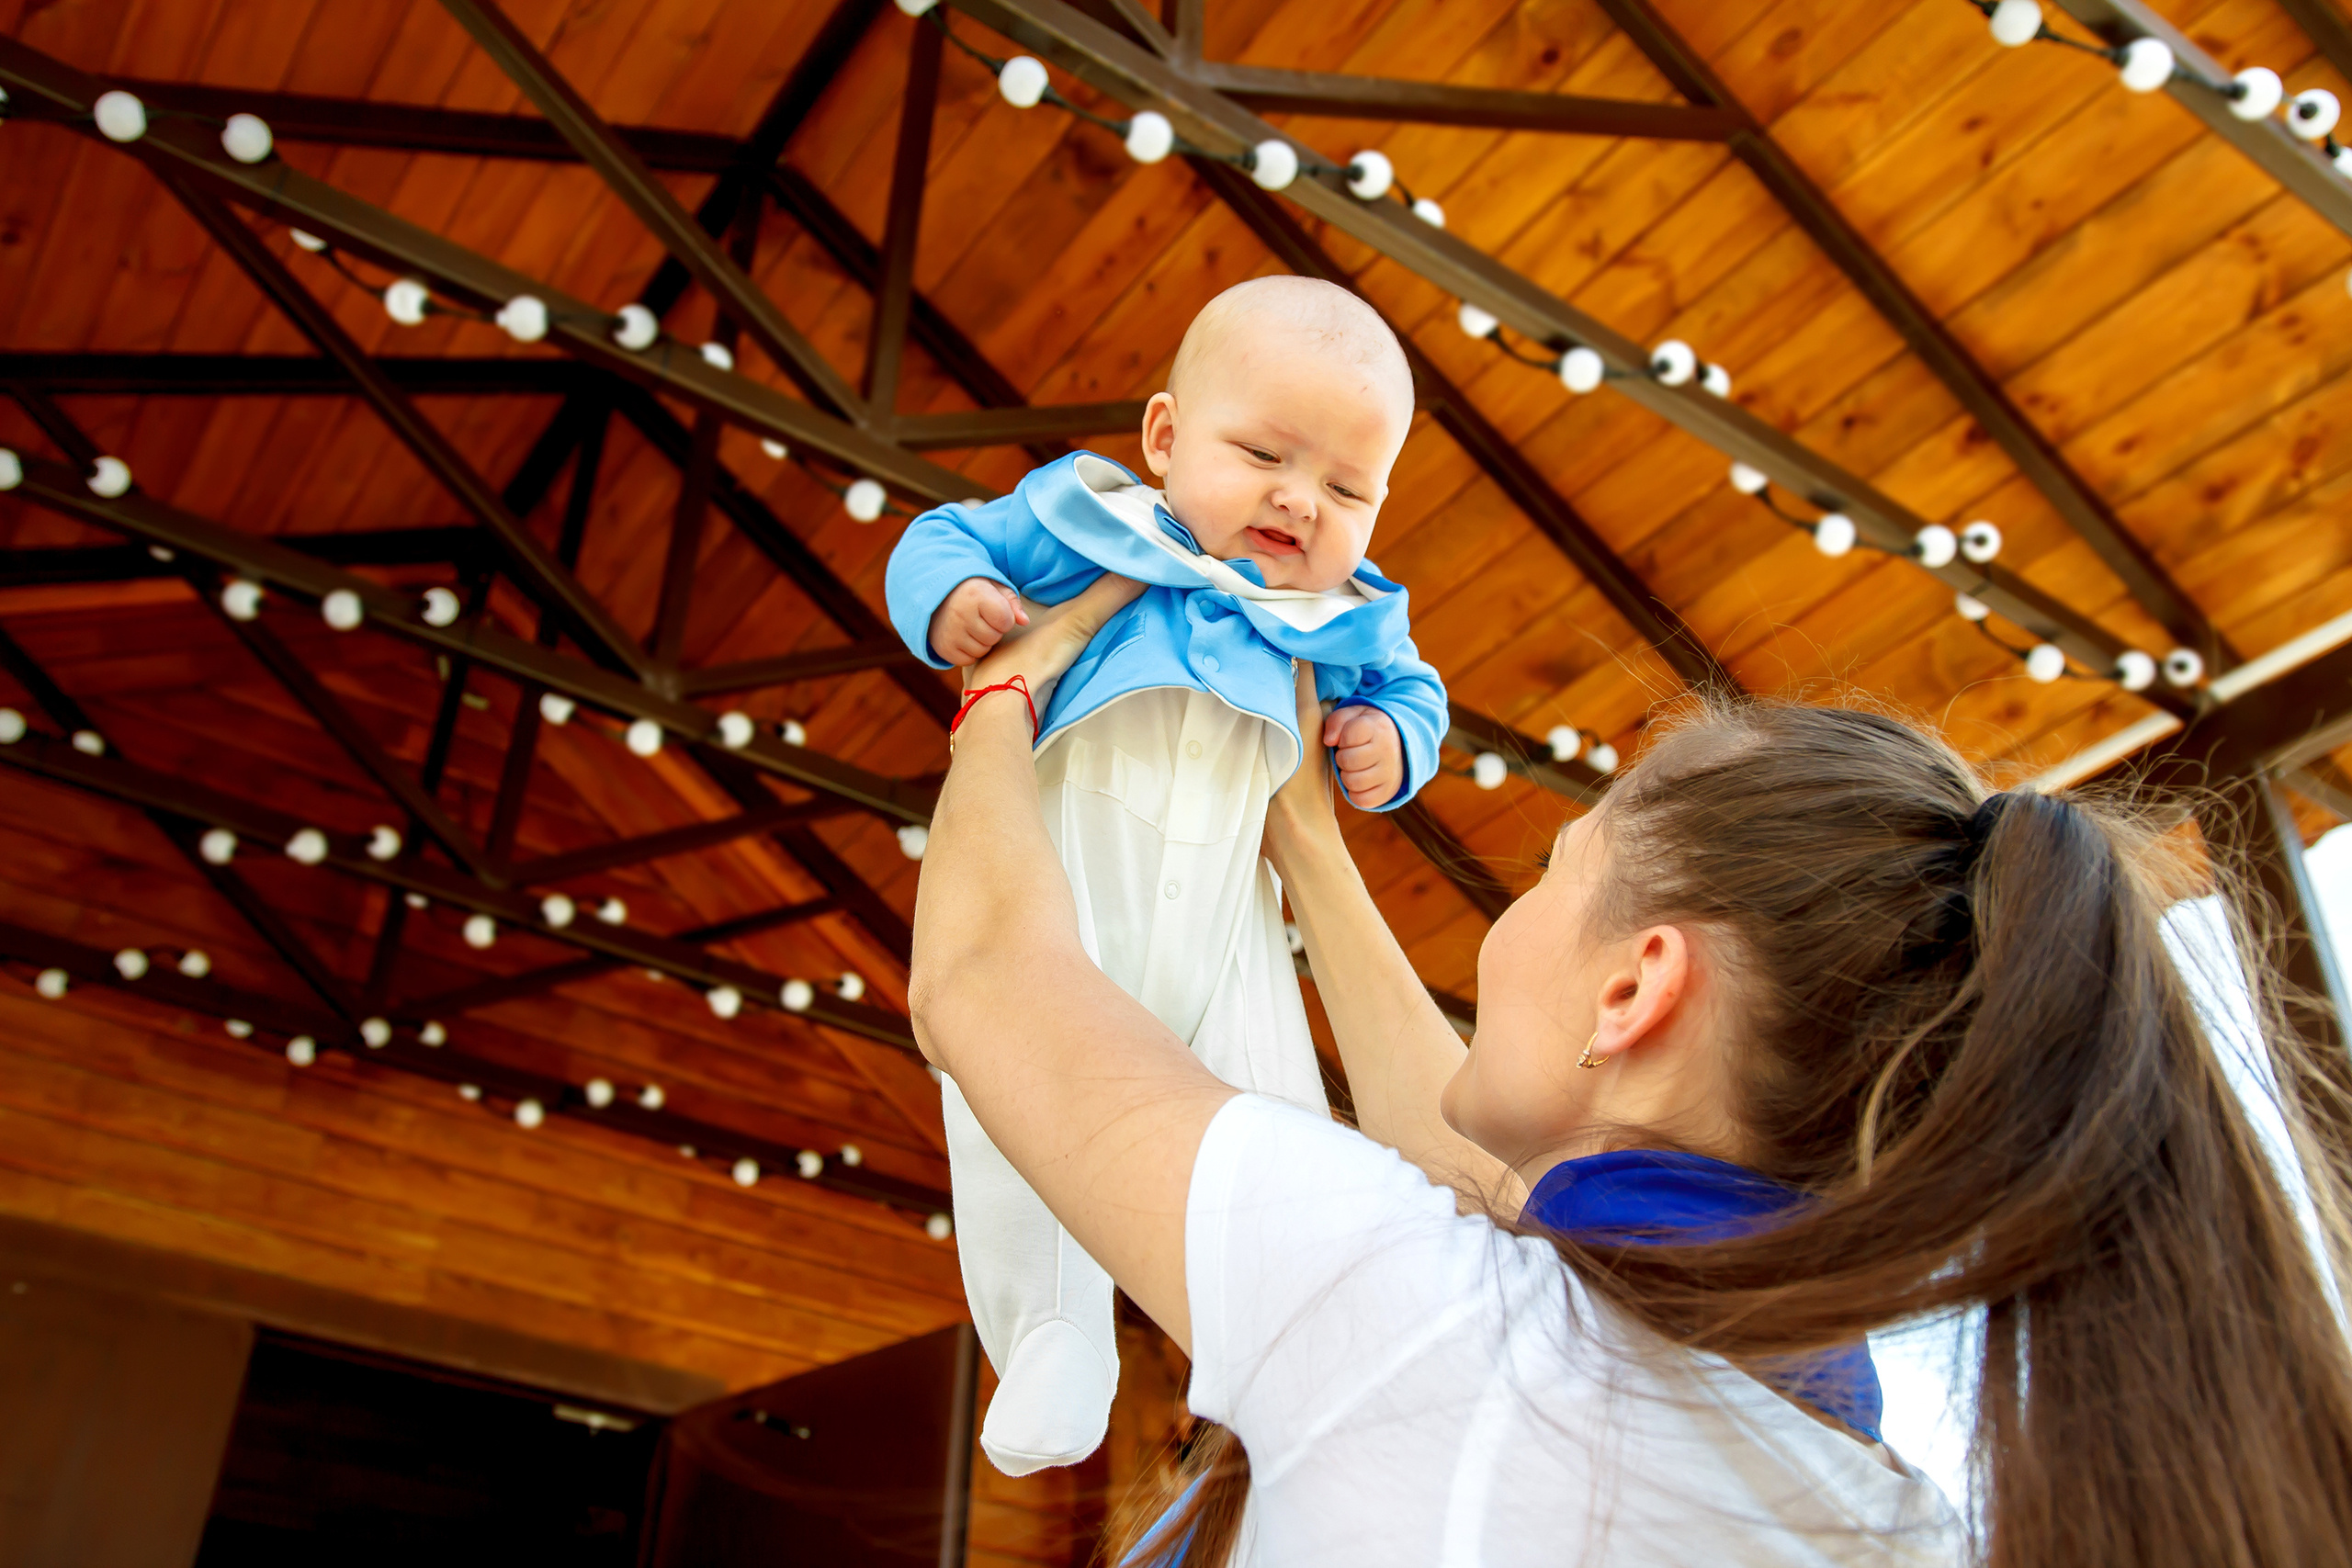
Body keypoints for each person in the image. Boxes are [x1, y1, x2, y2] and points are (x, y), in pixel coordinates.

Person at [910, 575, 2352, 1566]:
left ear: (1637, 984)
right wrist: (1300, 826)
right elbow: (1483, 1198)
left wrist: (1003, 701)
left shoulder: (1430, 1331)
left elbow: (984, 978)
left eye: (1551, 871)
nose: (1511, 920)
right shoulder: (1882, 1505)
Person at [884, 276, 1448, 1475]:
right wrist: (960, 604)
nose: (1301, 501)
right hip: (1070, 850)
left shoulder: (1351, 612)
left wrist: (1388, 745)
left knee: (1274, 1104)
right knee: (1026, 1074)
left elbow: (1414, 695)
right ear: (1165, 438)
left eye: (1348, 490)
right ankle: (1051, 1328)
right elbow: (941, 539)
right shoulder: (1088, 519)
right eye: (1262, 455)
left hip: (1235, 899)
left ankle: (1278, 1339)